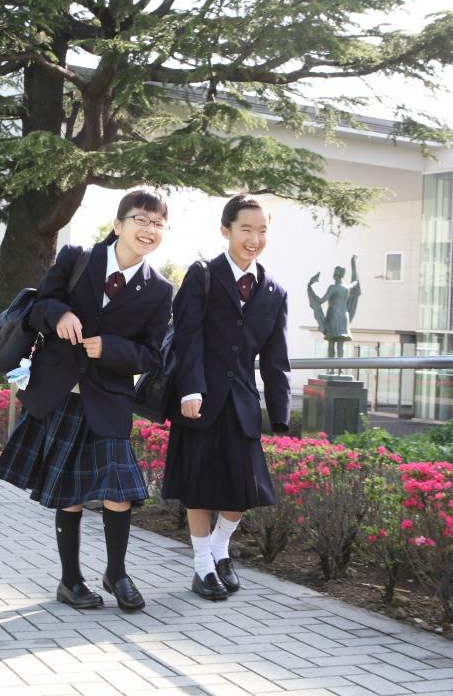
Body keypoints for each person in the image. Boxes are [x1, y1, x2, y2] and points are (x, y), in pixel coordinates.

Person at [0, 188, 173, 613]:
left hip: (108, 399)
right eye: (140, 220)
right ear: (119, 224)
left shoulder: (160, 289)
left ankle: (117, 572)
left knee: (120, 491)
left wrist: (108, 348)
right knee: (68, 494)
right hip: (59, 395)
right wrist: (59, 315)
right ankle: (70, 581)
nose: (148, 230)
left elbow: (151, 354)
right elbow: (38, 308)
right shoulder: (76, 258)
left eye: (158, 224)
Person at [161, 194, 291, 601]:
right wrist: (190, 388)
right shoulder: (201, 275)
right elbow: (187, 336)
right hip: (198, 396)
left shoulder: (275, 291)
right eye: (246, 229)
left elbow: (276, 359)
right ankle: (203, 567)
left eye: (262, 230)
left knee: (244, 490)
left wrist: (282, 415)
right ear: (226, 231)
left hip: (242, 402)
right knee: (199, 485)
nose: (254, 239)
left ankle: (219, 549)